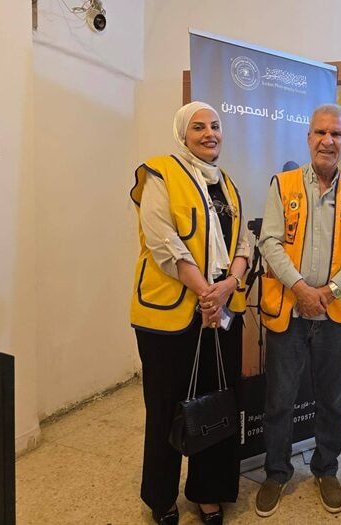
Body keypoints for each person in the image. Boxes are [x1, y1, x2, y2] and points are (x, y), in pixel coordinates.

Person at [255, 103, 341, 517]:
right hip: (288, 313)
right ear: (308, 137)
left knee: (331, 400)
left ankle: (326, 470)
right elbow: (269, 241)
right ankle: (276, 472)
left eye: (337, 134)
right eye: (321, 132)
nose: (328, 141)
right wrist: (301, 288)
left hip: (335, 317)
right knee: (279, 400)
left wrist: (328, 291)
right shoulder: (283, 184)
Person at [129, 101, 249, 525]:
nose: (209, 133)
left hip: (220, 310)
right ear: (183, 134)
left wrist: (229, 285)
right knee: (165, 407)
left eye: (215, 126)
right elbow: (163, 242)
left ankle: (208, 492)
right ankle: (161, 496)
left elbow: (243, 244)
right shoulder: (159, 173)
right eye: (198, 127)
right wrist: (205, 292)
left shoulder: (227, 184)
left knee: (215, 406)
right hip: (170, 315)